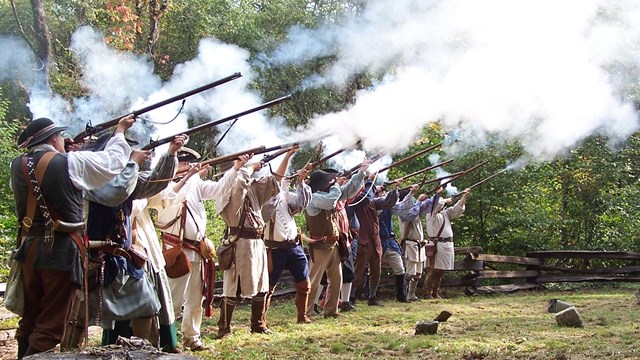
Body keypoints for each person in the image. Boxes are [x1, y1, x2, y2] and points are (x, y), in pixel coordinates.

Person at [10, 115, 134, 358]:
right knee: (51, 326)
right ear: (54, 138)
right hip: (60, 250)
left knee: (31, 319)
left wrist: (64, 152)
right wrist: (120, 132)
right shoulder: (69, 162)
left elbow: (45, 173)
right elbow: (113, 162)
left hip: (29, 247)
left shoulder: (18, 164)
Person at [83, 134, 185, 346]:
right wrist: (133, 163)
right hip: (94, 260)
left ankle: (145, 352)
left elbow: (155, 183)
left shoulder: (126, 178)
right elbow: (116, 192)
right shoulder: (92, 179)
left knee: (147, 308)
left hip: (124, 260)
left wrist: (171, 153)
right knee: (76, 320)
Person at [156, 148, 246, 350]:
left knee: (196, 300)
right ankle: (165, 339)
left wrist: (235, 169)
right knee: (174, 299)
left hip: (197, 250)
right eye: (186, 164)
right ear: (178, 165)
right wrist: (190, 175)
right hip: (178, 249)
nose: (191, 168)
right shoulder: (168, 185)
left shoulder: (195, 184)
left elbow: (220, 190)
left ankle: (192, 337)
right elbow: (174, 196)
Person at [130, 157, 203, 353]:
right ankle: (139, 345)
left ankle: (163, 343)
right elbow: (133, 206)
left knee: (157, 299)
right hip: (129, 248)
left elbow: (168, 196)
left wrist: (188, 175)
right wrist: (144, 186)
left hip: (147, 249)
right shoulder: (124, 186)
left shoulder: (139, 187)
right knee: (141, 302)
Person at [215, 153, 291, 338]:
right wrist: (248, 168)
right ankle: (224, 328)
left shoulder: (250, 188)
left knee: (262, 284)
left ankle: (258, 323)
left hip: (257, 242)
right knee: (232, 287)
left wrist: (288, 155)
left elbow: (275, 180)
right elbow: (239, 187)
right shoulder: (225, 192)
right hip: (239, 242)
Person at [304, 162, 368, 318]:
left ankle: (331, 310)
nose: (332, 182)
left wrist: (360, 172)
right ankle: (307, 311)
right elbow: (332, 200)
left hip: (333, 243)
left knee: (336, 279)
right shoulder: (314, 197)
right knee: (314, 280)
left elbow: (347, 192)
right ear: (322, 184)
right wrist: (336, 185)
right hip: (320, 244)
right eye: (329, 181)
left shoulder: (328, 192)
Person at [262, 147, 313, 324]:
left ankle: (302, 316)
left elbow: (300, 203)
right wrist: (288, 155)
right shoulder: (265, 199)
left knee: (304, 284)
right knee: (268, 287)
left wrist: (301, 181)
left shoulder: (285, 195)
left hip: (294, 246)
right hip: (275, 249)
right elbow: (276, 183)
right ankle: (260, 320)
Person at [349, 176, 399, 306]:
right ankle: (350, 296)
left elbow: (388, 203)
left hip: (375, 240)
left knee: (376, 270)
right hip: (363, 240)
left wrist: (394, 189)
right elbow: (365, 198)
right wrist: (372, 186)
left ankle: (372, 297)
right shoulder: (356, 201)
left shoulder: (373, 201)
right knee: (358, 270)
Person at [393, 185, 441, 301]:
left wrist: (437, 194)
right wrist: (419, 200)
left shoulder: (415, 207)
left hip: (419, 245)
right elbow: (412, 214)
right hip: (410, 244)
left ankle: (411, 295)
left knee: (418, 273)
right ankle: (404, 295)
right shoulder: (403, 211)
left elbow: (427, 206)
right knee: (409, 273)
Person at [424, 187, 471, 299]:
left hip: (446, 245)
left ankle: (435, 293)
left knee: (441, 270)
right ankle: (428, 293)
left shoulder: (445, 213)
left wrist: (464, 196)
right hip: (437, 245)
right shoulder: (430, 214)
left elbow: (458, 209)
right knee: (434, 270)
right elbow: (436, 205)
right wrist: (445, 199)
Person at [376, 183, 410, 303]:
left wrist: (411, 193)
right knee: (372, 270)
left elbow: (403, 208)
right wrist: (394, 189)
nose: (384, 194)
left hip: (390, 242)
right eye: (382, 192)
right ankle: (368, 295)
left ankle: (402, 297)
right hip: (377, 242)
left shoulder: (389, 206)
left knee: (400, 269)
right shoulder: (373, 204)